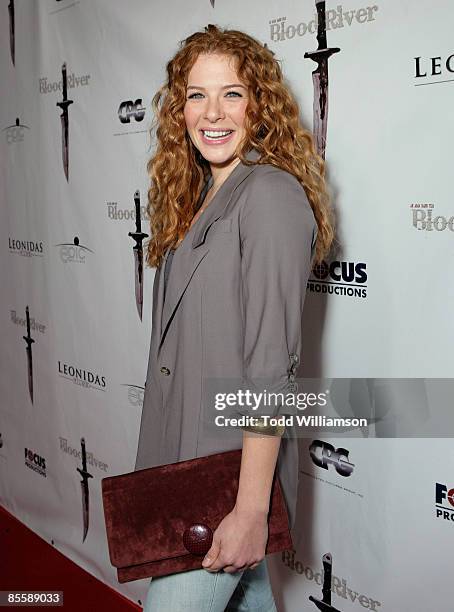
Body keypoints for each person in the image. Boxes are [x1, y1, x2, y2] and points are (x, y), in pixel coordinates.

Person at [135, 23, 334, 612]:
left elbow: (272, 371)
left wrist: (251, 510)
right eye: (197, 94)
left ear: (259, 103)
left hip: (226, 485)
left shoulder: (269, 196)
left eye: (232, 93)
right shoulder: (197, 201)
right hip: (187, 471)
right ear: (179, 108)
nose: (212, 112)